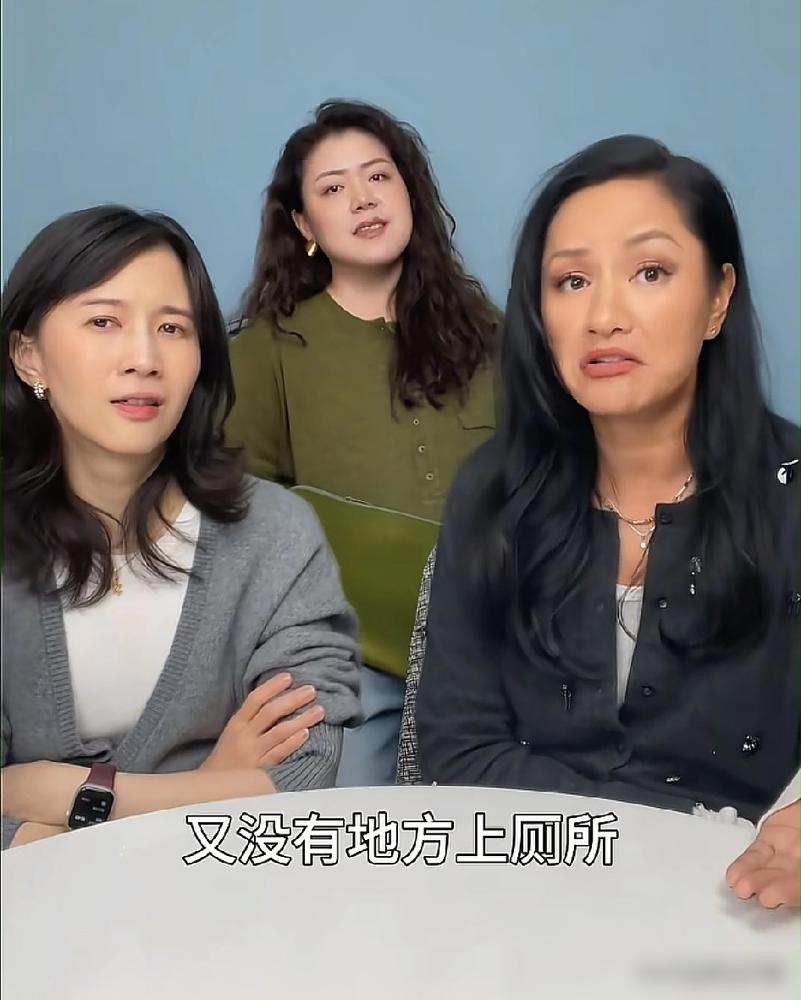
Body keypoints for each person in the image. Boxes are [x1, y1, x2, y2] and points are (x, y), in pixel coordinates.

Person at [415, 135, 800, 908]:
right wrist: (637, 847)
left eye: (649, 272)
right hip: (533, 892)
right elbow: (458, 750)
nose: (603, 315)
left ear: (717, 298)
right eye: (571, 280)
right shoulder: (492, 490)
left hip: (746, 905)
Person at [1, 205, 361, 850]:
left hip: (230, 894)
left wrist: (66, 795)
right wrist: (212, 786)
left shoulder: (274, 533)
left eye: (172, 327)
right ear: (29, 356)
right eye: (104, 321)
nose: (144, 358)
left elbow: (305, 774)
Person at [225, 99, 500, 785]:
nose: (362, 199)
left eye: (378, 176)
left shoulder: (493, 334)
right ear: (303, 225)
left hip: (497, 649)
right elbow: (239, 524)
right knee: (344, 831)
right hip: (348, 664)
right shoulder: (265, 352)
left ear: (410, 192)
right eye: (332, 188)